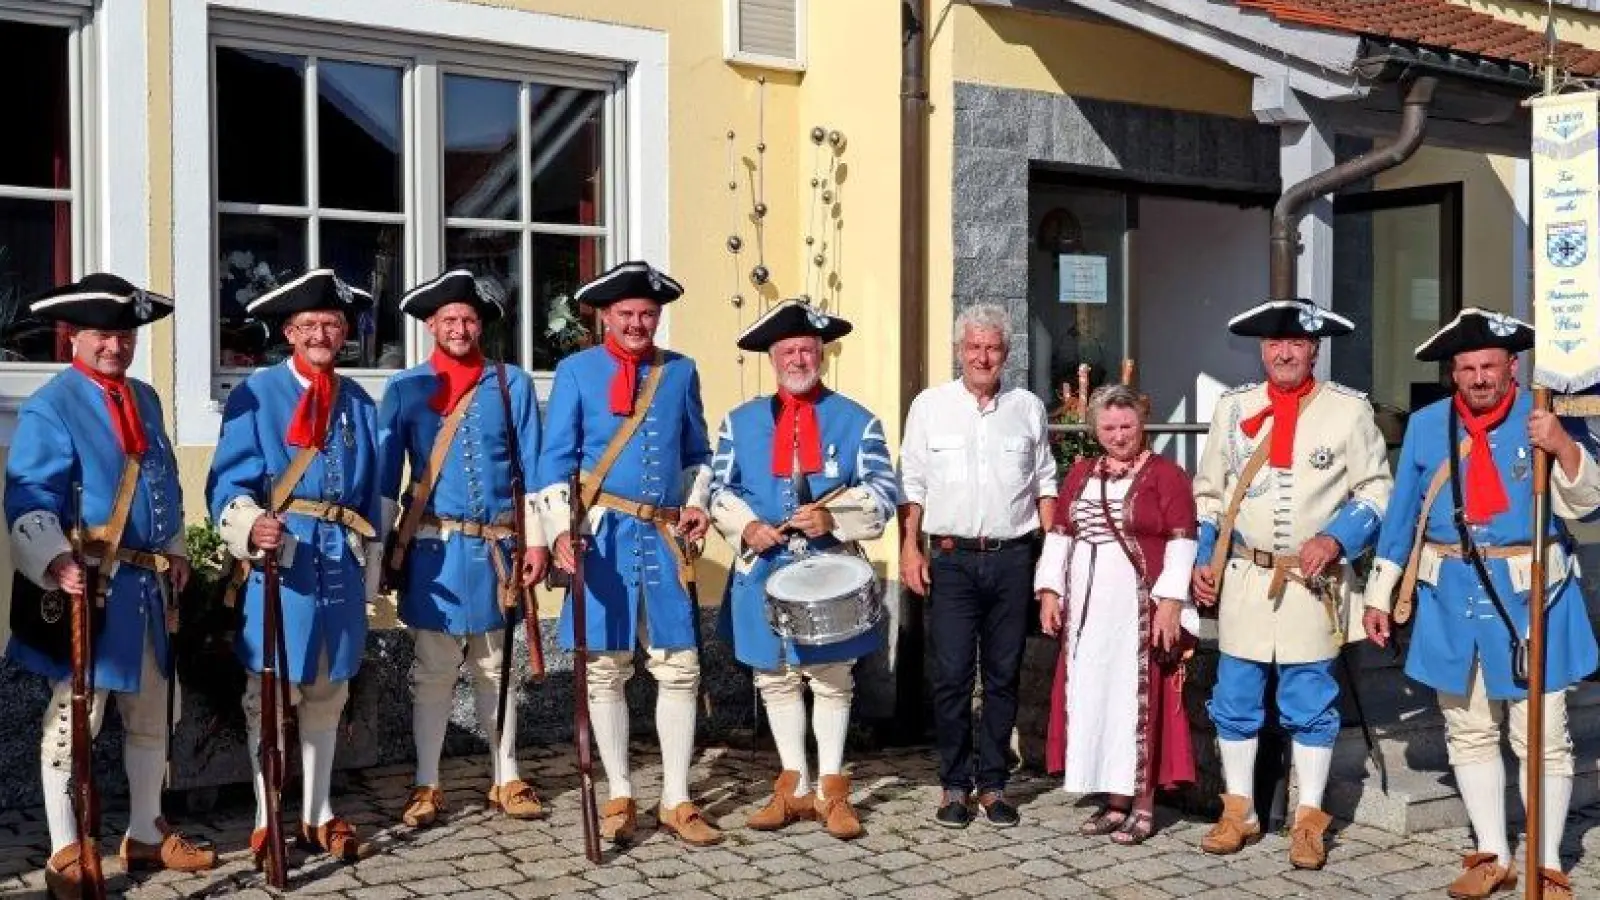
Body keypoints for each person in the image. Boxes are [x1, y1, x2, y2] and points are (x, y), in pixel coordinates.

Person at [1365, 309, 1600, 900]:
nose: (1478, 377)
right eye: (1466, 367)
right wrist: (1379, 592)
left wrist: (1564, 451)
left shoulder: (1547, 415)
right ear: (1453, 371)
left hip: (1532, 594)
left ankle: (1546, 861)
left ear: (1511, 367)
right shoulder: (1426, 425)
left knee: (1543, 735)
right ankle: (1493, 854)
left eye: (1489, 366)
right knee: (1467, 729)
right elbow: (1402, 517)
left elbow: (1589, 507)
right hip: (1448, 595)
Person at [7, 274, 215, 896]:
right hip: (90, 591)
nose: (115, 347)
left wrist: (175, 550)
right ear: (75, 336)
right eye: (102, 335)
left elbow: (164, 484)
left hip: (147, 593)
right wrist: (52, 559)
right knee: (72, 725)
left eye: (124, 335)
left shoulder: (146, 398)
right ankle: (67, 850)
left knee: (154, 717)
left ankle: (147, 834)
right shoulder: (52, 404)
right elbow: (28, 493)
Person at [1191, 298, 1392, 869]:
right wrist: (1206, 557)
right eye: (1276, 344)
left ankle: (1308, 821)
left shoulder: (1348, 412)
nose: (1285, 352)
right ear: (1262, 350)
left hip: (1312, 583)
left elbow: (1377, 492)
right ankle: (1240, 812)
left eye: (1297, 344)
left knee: (1310, 699)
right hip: (1246, 578)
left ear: (1314, 350)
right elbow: (1210, 493)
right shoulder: (1233, 409)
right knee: (1235, 697)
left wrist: (1336, 538)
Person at [536, 260, 719, 846]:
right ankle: (619, 792)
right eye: (626, 314)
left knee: (680, 668)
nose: (638, 323)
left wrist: (697, 502)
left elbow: (697, 452)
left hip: (663, 538)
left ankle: (676, 798)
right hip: (602, 536)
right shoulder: (576, 371)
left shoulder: (681, 371)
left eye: (647, 313)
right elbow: (555, 460)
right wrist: (558, 530)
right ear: (605, 317)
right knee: (604, 672)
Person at [207, 269, 381, 866]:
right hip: (282, 559)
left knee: (329, 689)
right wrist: (250, 524)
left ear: (344, 332)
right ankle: (265, 818)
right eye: (308, 325)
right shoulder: (255, 394)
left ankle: (318, 812)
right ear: (289, 331)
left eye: (331, 324)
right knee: (270, 686)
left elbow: (376, 495)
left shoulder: (358, 400)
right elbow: (226, 483)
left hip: (341, 559)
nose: (321, 334)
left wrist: (372, 574)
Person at [707, 299, 899, 839]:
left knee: (833, 680)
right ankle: (793, 788)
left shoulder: (858, 421)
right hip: (762, 566)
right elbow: (718, 487)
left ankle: (832, 789)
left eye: (808, 350)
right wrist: (745, 525)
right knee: (774, 677)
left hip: (830, 570)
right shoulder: (738, 421)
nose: (798, 358)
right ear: (773, 357)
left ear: (822, 354)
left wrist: (830, 517)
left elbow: (885, 493)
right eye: (789, 350)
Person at [377, 270, 550, 828]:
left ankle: (507, 775)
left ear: (482, 325)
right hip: (434, 551)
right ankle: (427, 783)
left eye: (469, 319)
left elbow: (536, 468)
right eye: (448, 318)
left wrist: (538, 541)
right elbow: (385, 478)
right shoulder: (404, 388)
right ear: (431, 324)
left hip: (498, 549)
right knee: (432, 670)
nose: (459, 327)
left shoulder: (511, 383)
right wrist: (380, 554)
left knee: (497, 667)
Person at [898, 303, 1057, 828]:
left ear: (1005, 354)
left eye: (992, 348)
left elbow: (1045, 484)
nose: (982, 356)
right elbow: (912, 483)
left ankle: (993, 785)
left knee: (1004, 676)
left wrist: (1052, 558)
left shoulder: (1027, 407)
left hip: (1012, 558)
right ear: (959, 351)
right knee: (950, 677)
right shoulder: (930, 405)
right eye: (974, 347)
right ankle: (953, 785)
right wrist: (909, 546)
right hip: (951, 560)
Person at [1033, 383, 1198, 845]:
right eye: (1109, 426)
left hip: (1137, 606)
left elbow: (1184, 541)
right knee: (1097, 698)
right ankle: (1115, 800)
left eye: (1126, 425)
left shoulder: (1168, 475)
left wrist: (1169, 604)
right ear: (1095, 429)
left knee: (1135, 702)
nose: (1119, 434)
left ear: (1142, 424)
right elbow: (1060, 535)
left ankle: (1143, 803)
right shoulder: (1081, 473)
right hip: (1088, 607)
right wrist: (1050, 592)